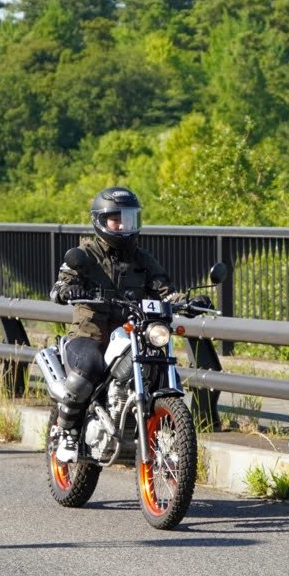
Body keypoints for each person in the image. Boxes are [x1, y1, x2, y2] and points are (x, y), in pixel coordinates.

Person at [46, 186, 184, 462]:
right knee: (89, 368)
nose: (123, 225)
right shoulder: (85, 254)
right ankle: (67, 433)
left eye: (129, 219)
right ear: (100, 220)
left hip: (132, 332)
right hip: (90, 334)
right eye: (116, 219)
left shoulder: (142, 259)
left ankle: (172, 437)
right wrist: (67, 290)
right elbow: (60, 284)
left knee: (159, 367)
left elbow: (164, 289)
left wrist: (185, 300)